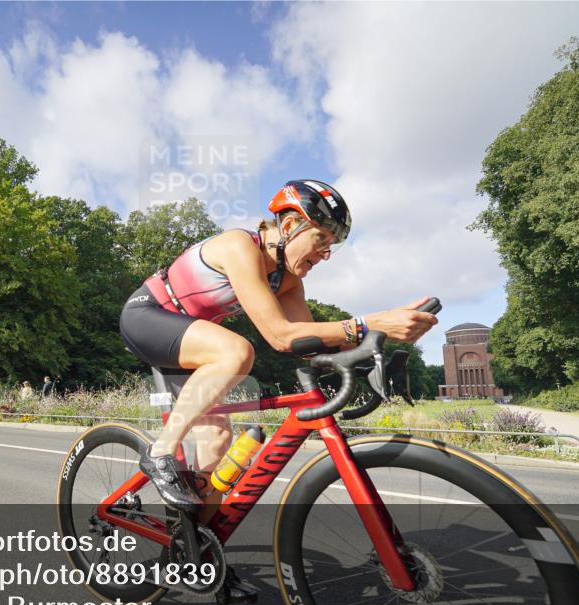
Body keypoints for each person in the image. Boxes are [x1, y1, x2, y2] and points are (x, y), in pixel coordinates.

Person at [120, 180, 438, 513]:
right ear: (289, 226)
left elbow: (307, 343)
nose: (327, 254)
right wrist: (369, 322)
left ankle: (197, 549)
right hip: (147, 316)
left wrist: (373, 347)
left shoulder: (287, 281)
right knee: (237, 351)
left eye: (334, 245)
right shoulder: (239, 246)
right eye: (322, 238)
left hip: (191, 344)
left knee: (216, 441)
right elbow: (279, 335)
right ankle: (160, 452)